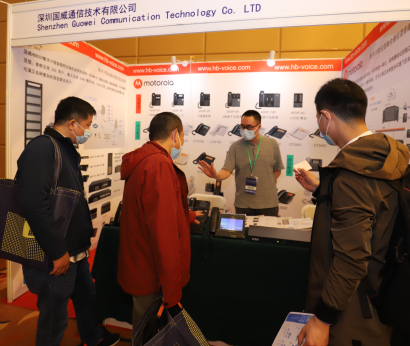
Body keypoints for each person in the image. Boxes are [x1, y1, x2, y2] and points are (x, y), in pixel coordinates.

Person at [294, 79, 410, 346]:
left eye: (318, 119)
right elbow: (373, 209)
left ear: (326, 117)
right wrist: (323, 188)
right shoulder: (380, 156)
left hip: (353, 310)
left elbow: (352, 257)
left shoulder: (352, 172)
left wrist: (322, 319)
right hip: (378, 296)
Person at [17, 97, 120, 346]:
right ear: (73, 123)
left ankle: (93, 338)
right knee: (54, 318)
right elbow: (33, 203)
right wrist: (57, 251)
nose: (88, 131)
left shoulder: (64, 148)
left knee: (86, 298)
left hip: (75, 250)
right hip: (55, 254)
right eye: (88, 125)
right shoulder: (42, 148)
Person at [118, 112, 200, 328]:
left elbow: (153, 208)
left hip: (140, 261)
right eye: (182, 137)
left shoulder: (145, 159)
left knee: (144, 326)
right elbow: (163, 232)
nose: (182, 142)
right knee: (150, 330)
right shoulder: (159, 164)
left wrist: (187, 216)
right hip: (150, 269)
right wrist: (172, 288)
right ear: (175, 135)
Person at [199, 110, 285, 216]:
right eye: (242, 126)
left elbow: (277, 170)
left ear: (259, 127)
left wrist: (265, 184)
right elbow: (226, 171)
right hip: (243, 204)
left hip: (269, 204)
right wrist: (215, 175)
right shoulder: (235, 147)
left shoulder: (272, 144)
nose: (244, 130)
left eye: (249, 127)